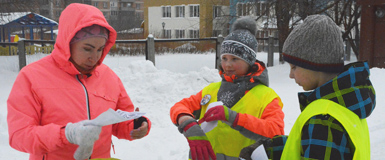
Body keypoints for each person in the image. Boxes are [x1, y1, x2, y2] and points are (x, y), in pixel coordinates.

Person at [7, 3, 151, 160]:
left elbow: (120, 120)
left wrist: (136, 125)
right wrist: (66, 134)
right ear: (67, 42)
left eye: (100, 49)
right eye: (87, 49)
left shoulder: (109, 77)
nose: (94, 57)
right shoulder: (32, 76)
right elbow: (19, 135)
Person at [239, 15, 376, 160]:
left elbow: (320, 140)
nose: (291, 75)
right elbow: (312, 145)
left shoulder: (323, 119)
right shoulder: (344, 104)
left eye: (294, 67)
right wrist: (271, 149)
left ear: (315, 64)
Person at [170, 16, 285, 160]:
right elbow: (179, 107)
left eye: (235, 59)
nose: (227, 65)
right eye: (224, 58)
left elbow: (276, 132)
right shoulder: (211, 90)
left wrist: (234, 118)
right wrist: (187, 123)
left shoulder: (266, 96)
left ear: (249, 61)